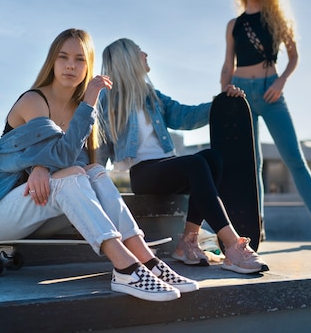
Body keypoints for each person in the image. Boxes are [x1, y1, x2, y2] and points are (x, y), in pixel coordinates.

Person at [0, 28, 198, 302]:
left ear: (88, 65)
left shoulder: (76, 108)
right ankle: (126, 268)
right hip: (3, 218)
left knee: (94, 171)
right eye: (63, 57)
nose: (71, 65)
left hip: (45, 213)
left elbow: (78, 162)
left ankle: (146, 259)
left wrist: (43, 165)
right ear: (52, 62)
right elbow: (61, 158)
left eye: (80, 59)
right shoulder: (34, 100)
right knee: (71, 173)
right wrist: (88, 105)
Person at [98, 38, 269, 274]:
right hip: (143, 174)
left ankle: (187, 243)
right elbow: (100, 144)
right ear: (127, 59)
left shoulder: (152, 96)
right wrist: (93, 182)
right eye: (140, 52)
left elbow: (185, 116)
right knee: (197, 163)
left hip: (168, 168)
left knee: (213, 158)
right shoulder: (107, 99)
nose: (146, 54)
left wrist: (221, 103)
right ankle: (232, 245)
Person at [220, 0, 311, 247]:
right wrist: (224, 94)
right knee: (252, 165)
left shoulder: (277, 19)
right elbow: (228, 64)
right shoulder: (234, 25)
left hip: (271, 92)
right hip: (241, 94)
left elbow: (293, 57)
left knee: (295, 157)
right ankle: (257, 226)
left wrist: (281, 82)